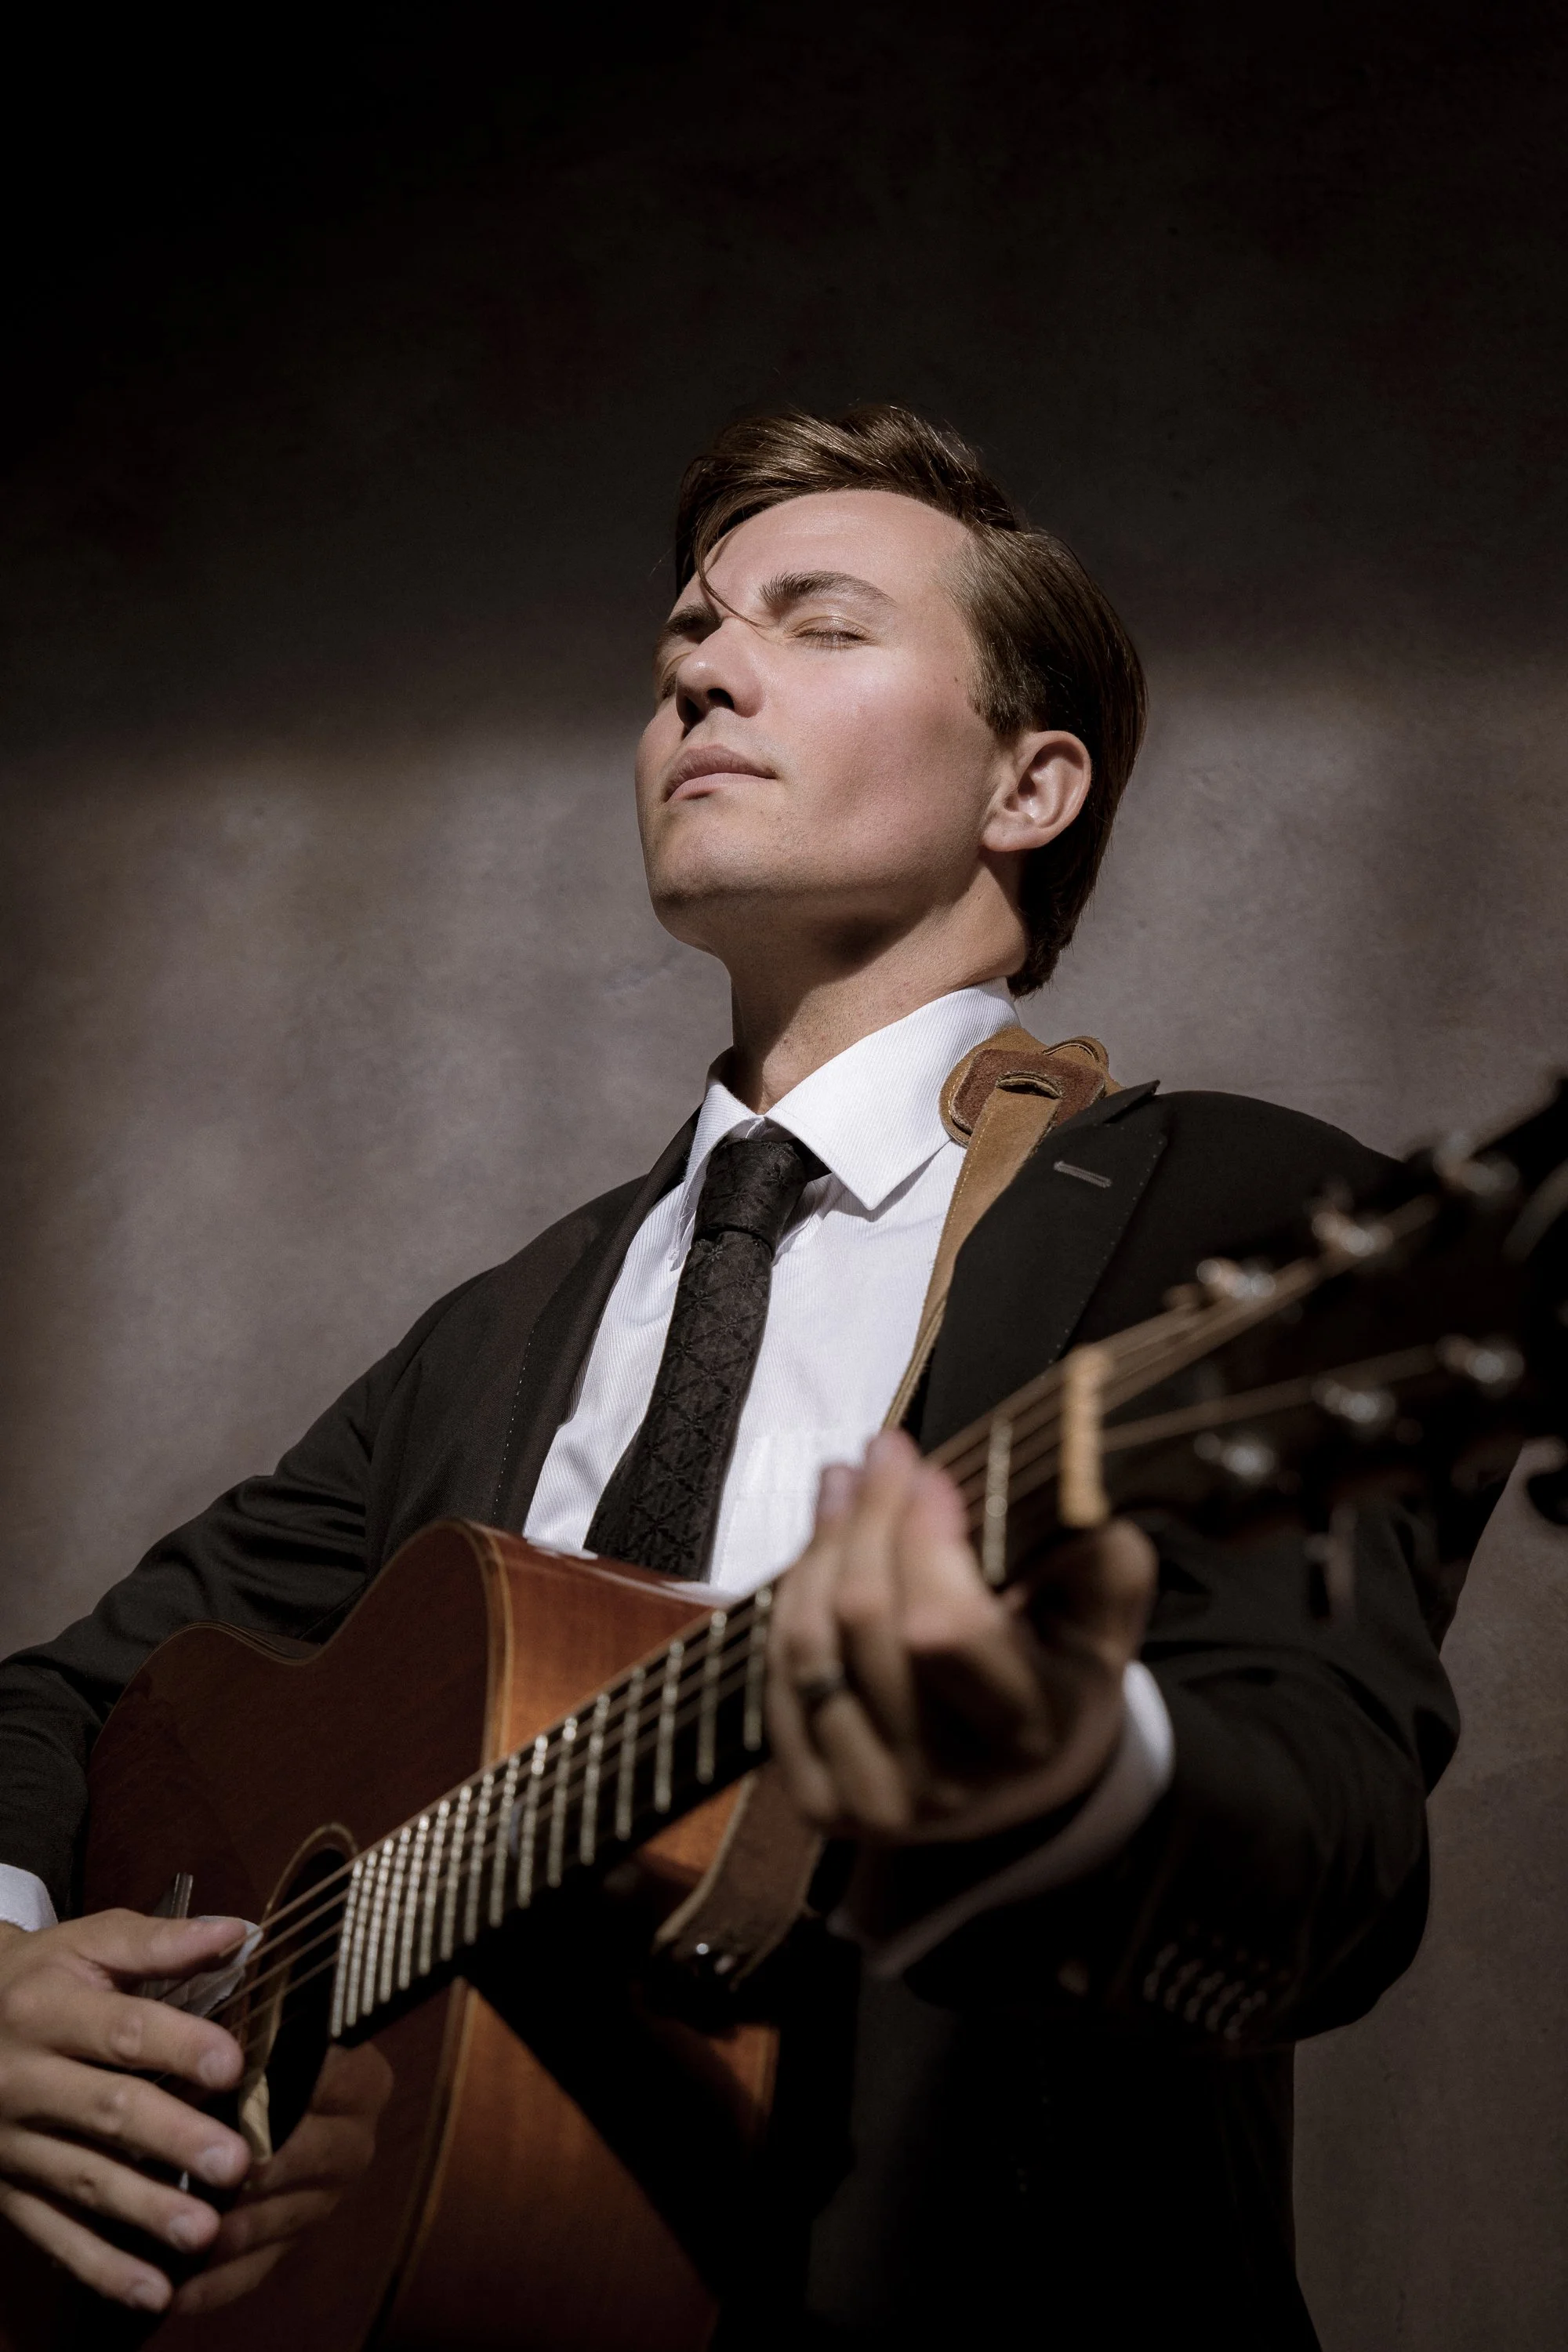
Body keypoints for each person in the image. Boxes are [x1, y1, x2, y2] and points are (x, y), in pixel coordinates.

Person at [0, 407, 1464, 2348]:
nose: (700, 662)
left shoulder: (1239, 1213)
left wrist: (1071, 1780)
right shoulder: (502, 1328)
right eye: (686, 632)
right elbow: (65, 1703)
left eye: (818, 622)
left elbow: (1327, 1866)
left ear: (1028, 787)